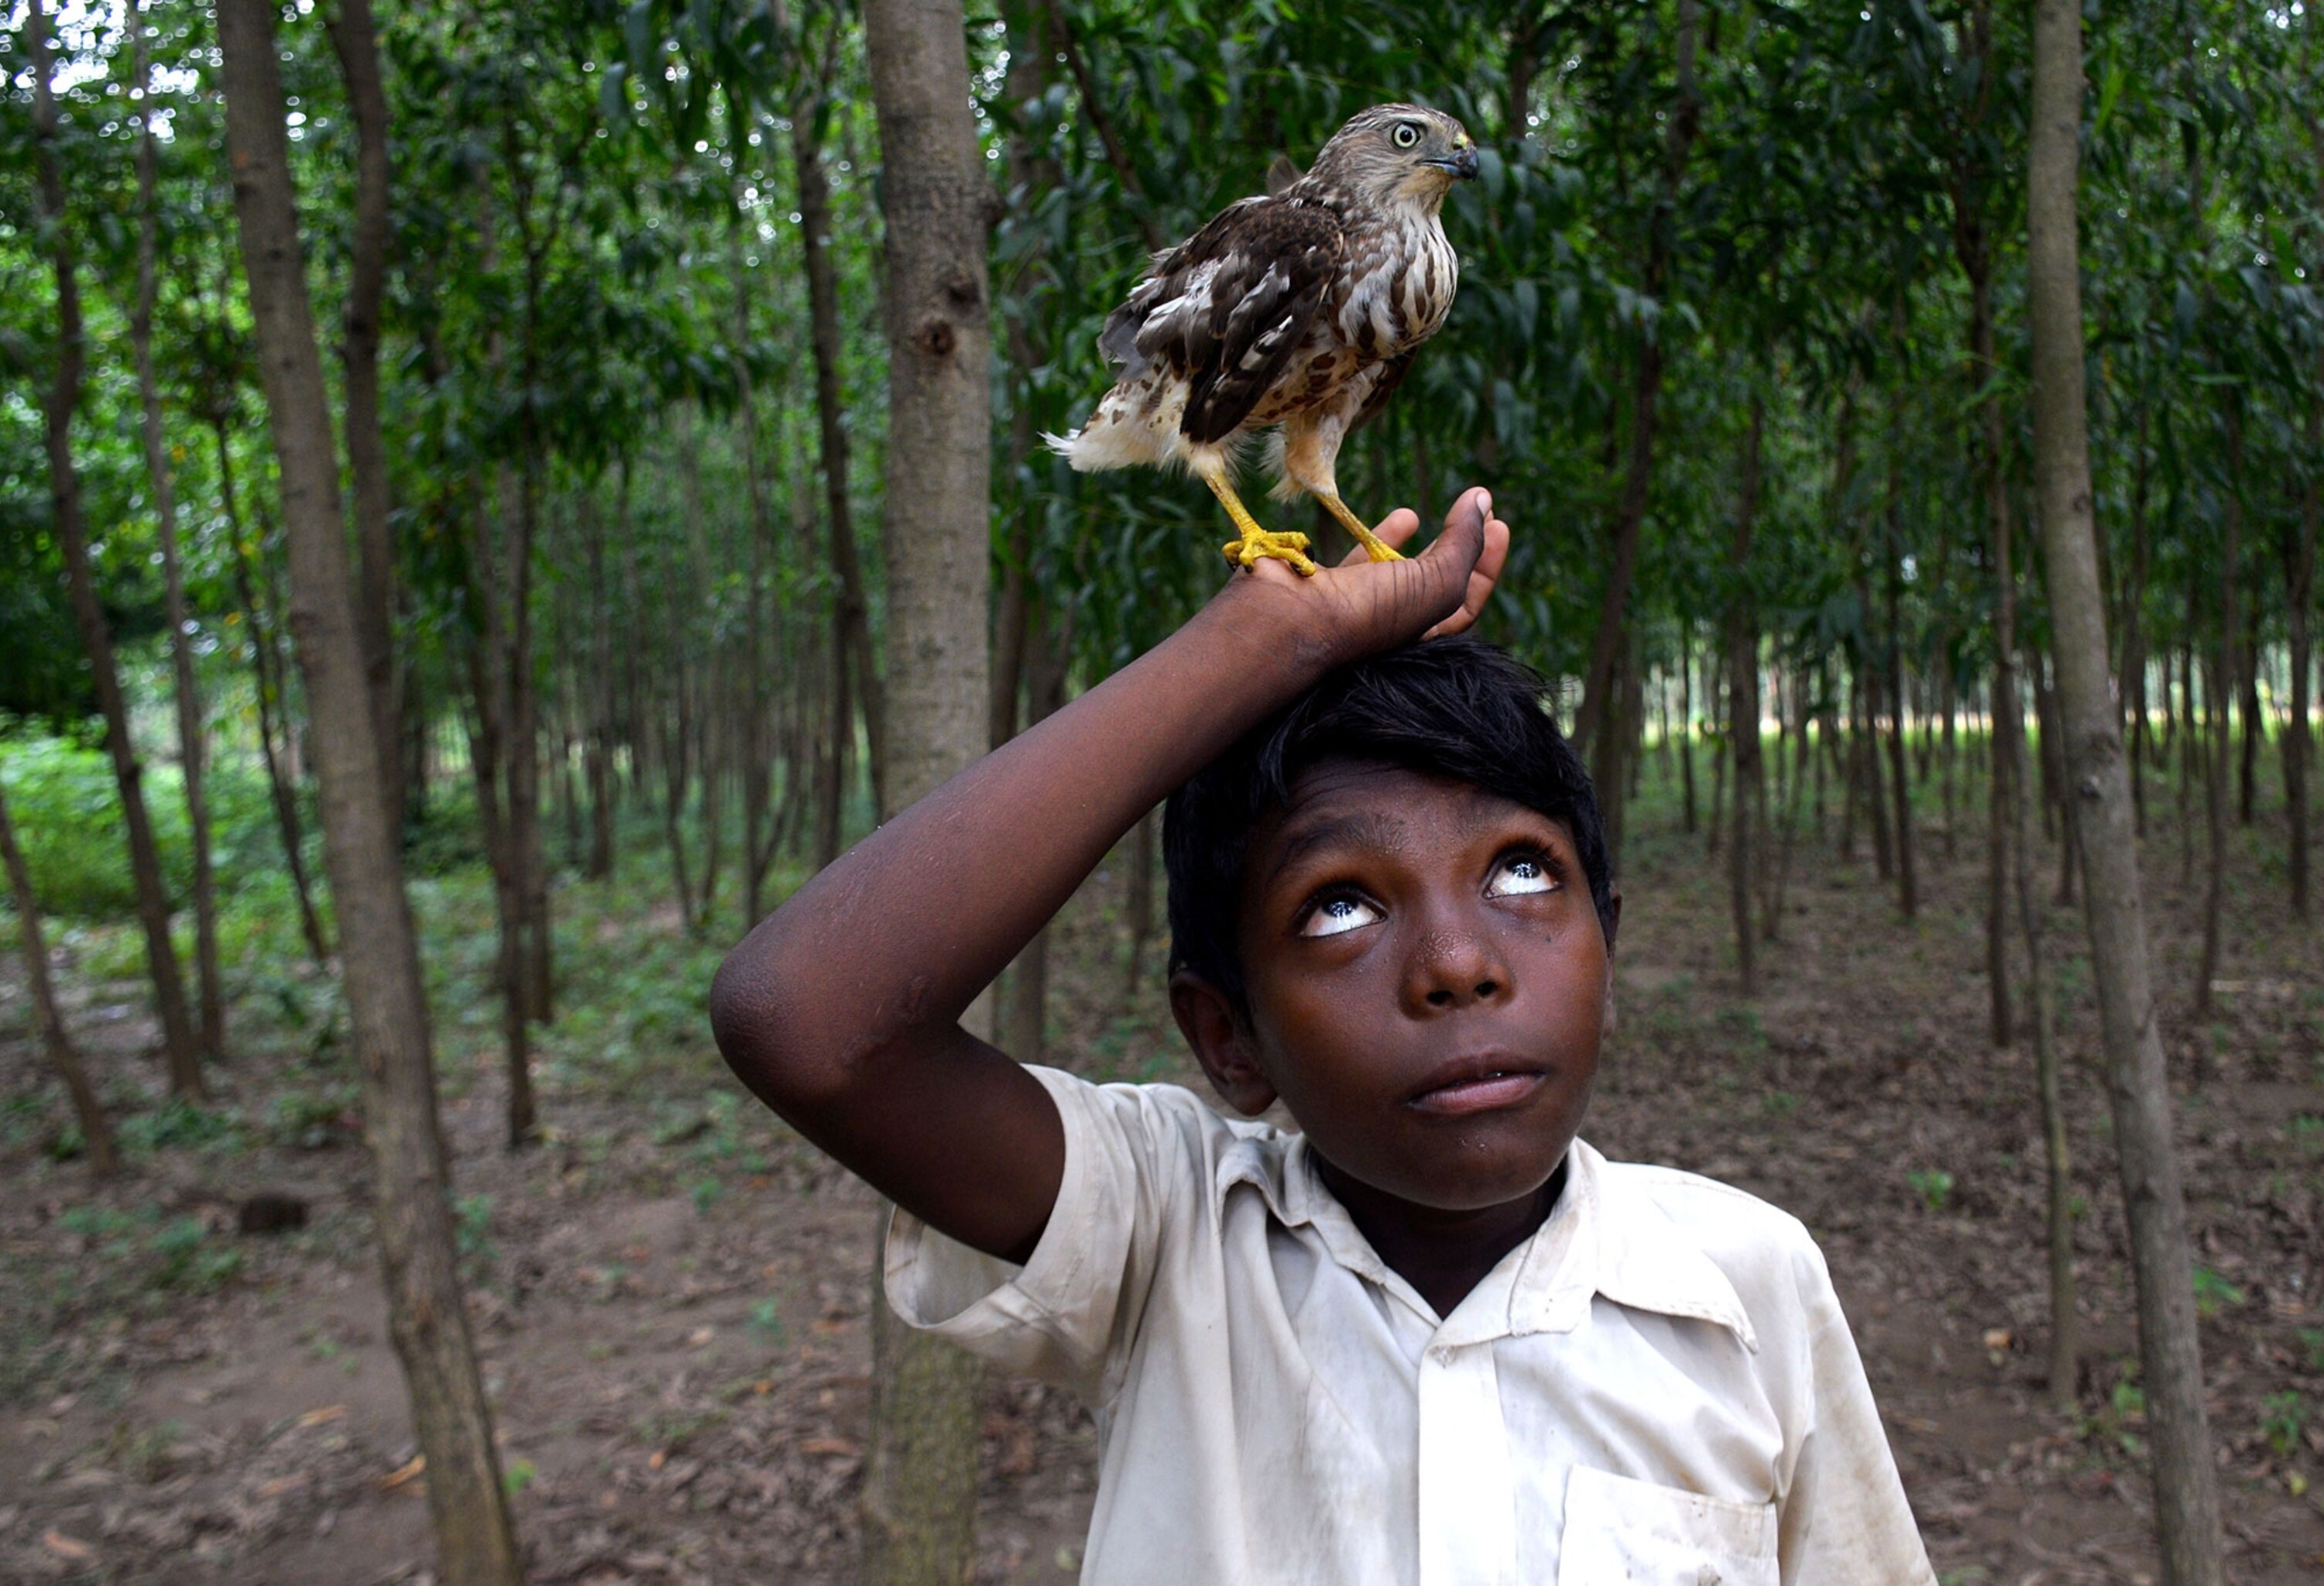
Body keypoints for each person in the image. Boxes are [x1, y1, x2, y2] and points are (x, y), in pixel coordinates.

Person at [709, 489, 1936, 1584]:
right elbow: (808, 1020)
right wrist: (1261, 642)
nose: (1459, 965)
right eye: (1340, 906)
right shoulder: (1167, 1239)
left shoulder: (1746, 1285)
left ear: (1607, 948)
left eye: (1519, 873)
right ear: (1228, 1037)